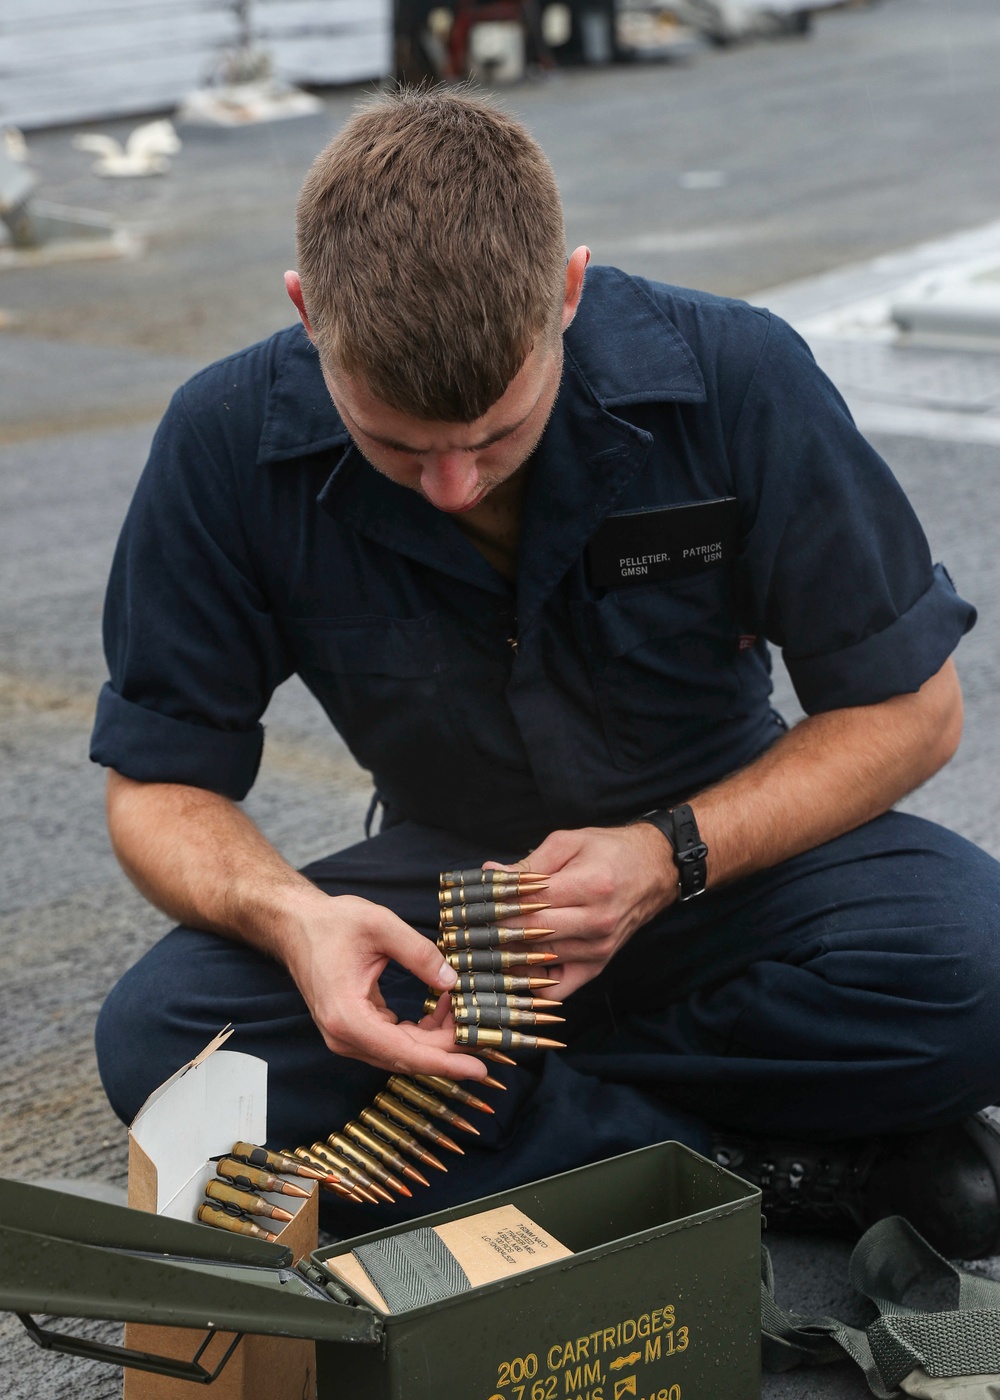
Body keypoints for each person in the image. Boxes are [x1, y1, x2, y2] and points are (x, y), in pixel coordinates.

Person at [91, 87, 1000, 1255]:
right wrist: (297, 920)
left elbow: (913, 711)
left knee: (976, 964)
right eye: (399, 447)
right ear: (307, 312)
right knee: (163, 1038)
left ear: (565, 292)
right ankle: (770, 1164)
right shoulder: (221, 441)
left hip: (722, 856)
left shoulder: (735, 376)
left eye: (495, 436)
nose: (456, 485)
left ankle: (552, 1135)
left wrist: (668, 854)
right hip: (448, 901)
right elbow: (159, 785)